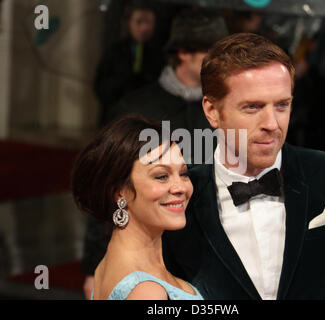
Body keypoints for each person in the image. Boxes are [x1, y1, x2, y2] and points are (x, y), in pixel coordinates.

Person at [162, 33, 325, 299]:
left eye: (282, 105)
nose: (272, 123)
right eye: (253, 107)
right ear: (212, 111)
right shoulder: (179, 196)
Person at [80, 10, 229, 299]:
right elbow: (107, 181)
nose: (225, 67)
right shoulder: (135, 108)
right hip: (148, 253)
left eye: (182, 173)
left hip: (202, 256)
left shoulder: (223, 112)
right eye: (215, 55)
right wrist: (92, 265)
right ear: (184, 53)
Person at [71, 114, 203, 300]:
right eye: (161, 176)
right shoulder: (146, 292)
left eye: (183, 173)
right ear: (119, 192)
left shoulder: (109, 263)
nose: (181, 187)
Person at [94, 1, 163, 126]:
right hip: (116, 118)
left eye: (148, 22)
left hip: (147, 119)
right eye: (139, 22)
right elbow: (101, 88)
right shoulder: (115, 52)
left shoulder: (159, 53)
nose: (144, 28)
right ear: (129, 23)